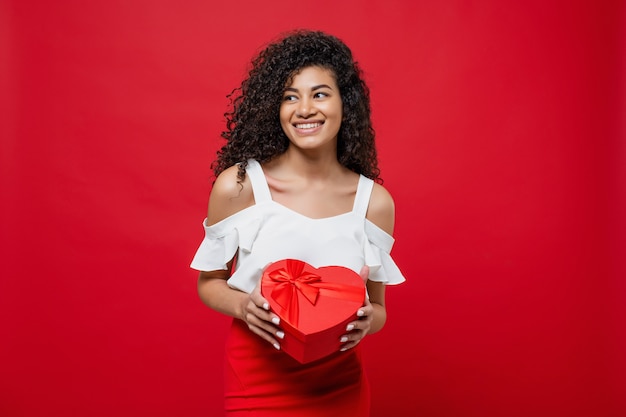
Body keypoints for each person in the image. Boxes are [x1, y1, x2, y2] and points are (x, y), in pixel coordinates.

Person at [191, 30, 405, 417]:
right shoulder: (240, 186)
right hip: (256, 381)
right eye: (291, 96)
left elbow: (378, 309)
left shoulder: (374, 202)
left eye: (320, 93)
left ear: (345, 103)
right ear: (276, 107)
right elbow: (209, 283)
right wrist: (244, 306)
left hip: (341, 387)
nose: (304, 108)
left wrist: (370, 321)